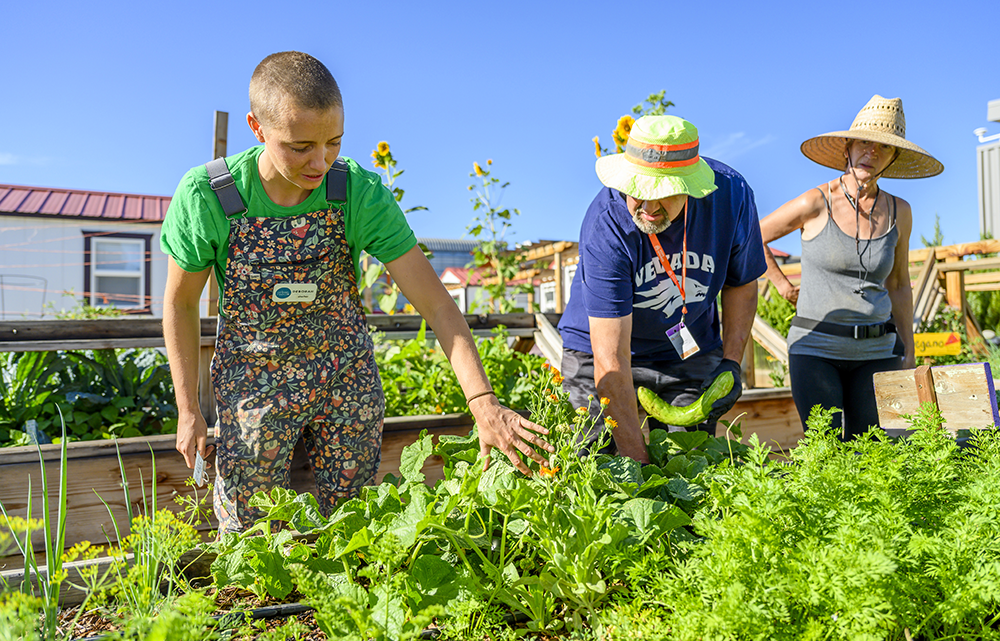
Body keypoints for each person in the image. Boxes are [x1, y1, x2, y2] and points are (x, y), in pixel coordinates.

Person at [161, 51, 552, 533]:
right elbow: (180, 303)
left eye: (334, 143)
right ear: (256, 127)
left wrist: (483, 402)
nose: (320, 162)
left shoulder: (358, 193)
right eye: (300, 146)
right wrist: (187, 410)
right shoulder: (211, 195)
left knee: (355, 523)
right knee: (249, 532)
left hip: (344, 376)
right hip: (253, 378)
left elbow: (435, 302)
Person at [558, 115, 767, 463]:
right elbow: (611, 359)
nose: (649, 208)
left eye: (665, 193)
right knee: (598, 464)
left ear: (691, 185)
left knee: (691, 463)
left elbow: (741, 283)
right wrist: (639, 466)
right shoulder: (606, 223)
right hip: (598, 354)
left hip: (685, 350)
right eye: (638, 192)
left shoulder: (731, 197)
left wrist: (732, 361)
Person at [759, 95, 943, 438]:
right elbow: (753, 235)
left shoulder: (900, 211)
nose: (870, 153)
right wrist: (782, 284)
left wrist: (910, 348)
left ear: (893, 158)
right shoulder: (815, 201)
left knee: (871, 452)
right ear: (848, 147)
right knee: (825, 451)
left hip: (878, 351)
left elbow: (900, 284)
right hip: (816, 349)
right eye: (864, 143)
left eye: (882, 148)